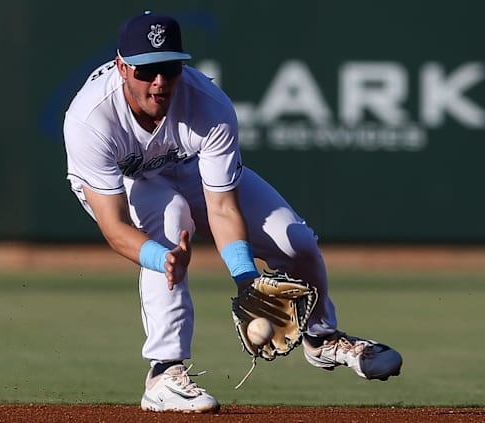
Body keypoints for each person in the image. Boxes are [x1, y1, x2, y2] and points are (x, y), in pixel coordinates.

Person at [63, 11, 402, 413]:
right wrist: (162, 258)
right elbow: (114, 225)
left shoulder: (207, 105)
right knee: (170, 217)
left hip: (185, 164)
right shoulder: (91, 118)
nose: (159, 81)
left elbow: (222, 207)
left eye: (169, 67)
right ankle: (164, 373)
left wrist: (247, 279)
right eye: (146, 70)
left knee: (296, 240)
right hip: (127, 180)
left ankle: (321, 338)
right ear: (122, 67)